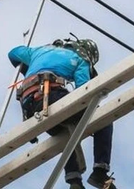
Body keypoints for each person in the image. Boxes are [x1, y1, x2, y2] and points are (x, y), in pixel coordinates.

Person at [8, 38, 117, 189]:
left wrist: (31, 71)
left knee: (65, 133)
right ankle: (100, 172)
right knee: (104, 118)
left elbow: (13, 53)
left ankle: (74, 182)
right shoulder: (80, 59)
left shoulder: (37, 51)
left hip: (31, 106)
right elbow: (84, 92)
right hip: (52, 95)